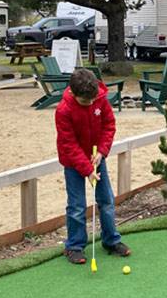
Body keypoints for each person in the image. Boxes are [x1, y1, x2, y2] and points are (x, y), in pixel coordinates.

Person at [55, 67, 130, 264]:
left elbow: (109, 126)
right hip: (74, 163)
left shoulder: (100, 99)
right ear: (73, 92)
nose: (89, 104)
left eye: (92, 100)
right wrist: (87, 170)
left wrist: (102, 152)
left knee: (106, 200)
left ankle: (111, 240)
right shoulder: (64, 110)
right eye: (85, 101)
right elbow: (68, 144)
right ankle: (75, 246)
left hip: (97, 157)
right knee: (77, 205)